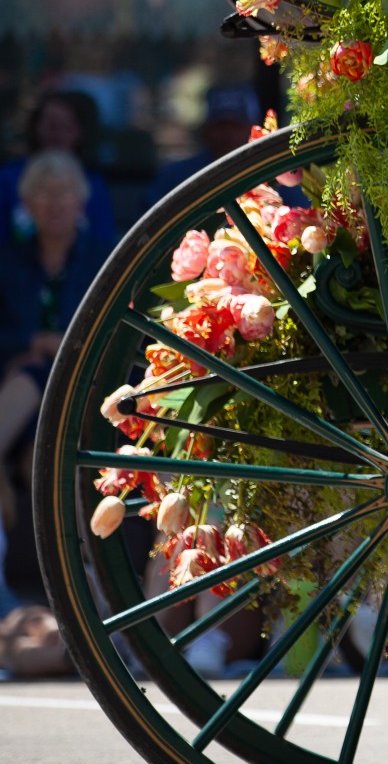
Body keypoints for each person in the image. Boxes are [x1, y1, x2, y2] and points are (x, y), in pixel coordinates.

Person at [0, 151, 116, 607]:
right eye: (43, 195)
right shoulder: (9, 260)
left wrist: (56, 343)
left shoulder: (102, 258)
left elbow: (110, 331)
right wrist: (30, 340)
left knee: (42, 452)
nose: (54, 204)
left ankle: (84, 593)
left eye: (63, 193)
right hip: (22, 381)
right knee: (30, 380)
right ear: (26, 204)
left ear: (81, 202)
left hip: (78, 388)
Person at [0, 90, 115, 243]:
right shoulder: (7, 180)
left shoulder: (94, 185)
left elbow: (105, 249)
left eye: (67, 127)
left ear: (80, 132)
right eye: (52, 126)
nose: (58, 135)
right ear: (35, 127)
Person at [144, 83, 260, 206]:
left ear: (253, 129)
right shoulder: (176, 177)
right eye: (220, 126)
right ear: (206, 129)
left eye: (236, 126)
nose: (228, 134)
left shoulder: (271, 174)